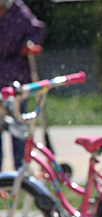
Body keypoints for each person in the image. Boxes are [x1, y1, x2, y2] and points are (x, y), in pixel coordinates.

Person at [0, 0, 45, 170]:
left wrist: (31, 43)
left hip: (16, 77)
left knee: (18, 125)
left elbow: (36, 29)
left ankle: (21, 171)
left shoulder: (19, 13)